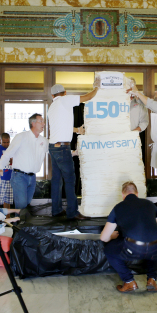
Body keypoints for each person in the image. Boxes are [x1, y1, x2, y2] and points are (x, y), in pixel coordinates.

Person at [101, 181, 157, 293]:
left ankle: (129, 281)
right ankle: (152, 279)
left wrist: (113, 236)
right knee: (154, 243)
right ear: (137, 194)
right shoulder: (149, 204)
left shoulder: (118, 207)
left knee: (109, 250)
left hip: (134, 248)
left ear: (123, 195)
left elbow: (104, 238)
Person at [47, 83, 98, 220]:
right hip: (63, 148)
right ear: (65, 92)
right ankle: (72, 212)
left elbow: (62, 127)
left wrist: (76, 130)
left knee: (57, 180)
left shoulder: (52, 107)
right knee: (70, 180)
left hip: (53, 147)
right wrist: (98, 88)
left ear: (52, 95)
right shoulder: (65, 100)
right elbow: (87, 97)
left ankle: (56, 210)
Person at [0, 114, 48, 209]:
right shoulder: (21, 136)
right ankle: (20, 223)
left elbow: (54, 151)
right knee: (21, 207)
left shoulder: (44, 140)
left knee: (26, 207)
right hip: (19, 177)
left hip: (32, 178)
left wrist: (72, 152)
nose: (44, 123)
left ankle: (22, 223)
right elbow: (8, 153)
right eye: (41, 121)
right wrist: (1, 167)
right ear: (33, 123)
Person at [128, 82, 157, 169]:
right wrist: (134, 88)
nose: (155, 92)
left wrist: (137, 92)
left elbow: (150, 103)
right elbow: (141, 101)